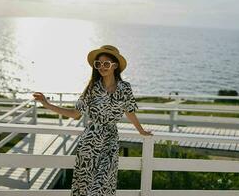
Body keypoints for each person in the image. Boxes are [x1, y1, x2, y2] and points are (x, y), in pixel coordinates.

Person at [32, 45, 153, 195]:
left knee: (102, 185)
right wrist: (47, 104)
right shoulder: (92, 88)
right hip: (89, 143)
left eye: (106, 63)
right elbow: (75, 114)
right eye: (98, 64)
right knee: (85, 187)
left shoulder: (125, 88)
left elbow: (129, 111)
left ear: (115, 66)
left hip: (110, 142)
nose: (102, 67)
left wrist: (141, 130)